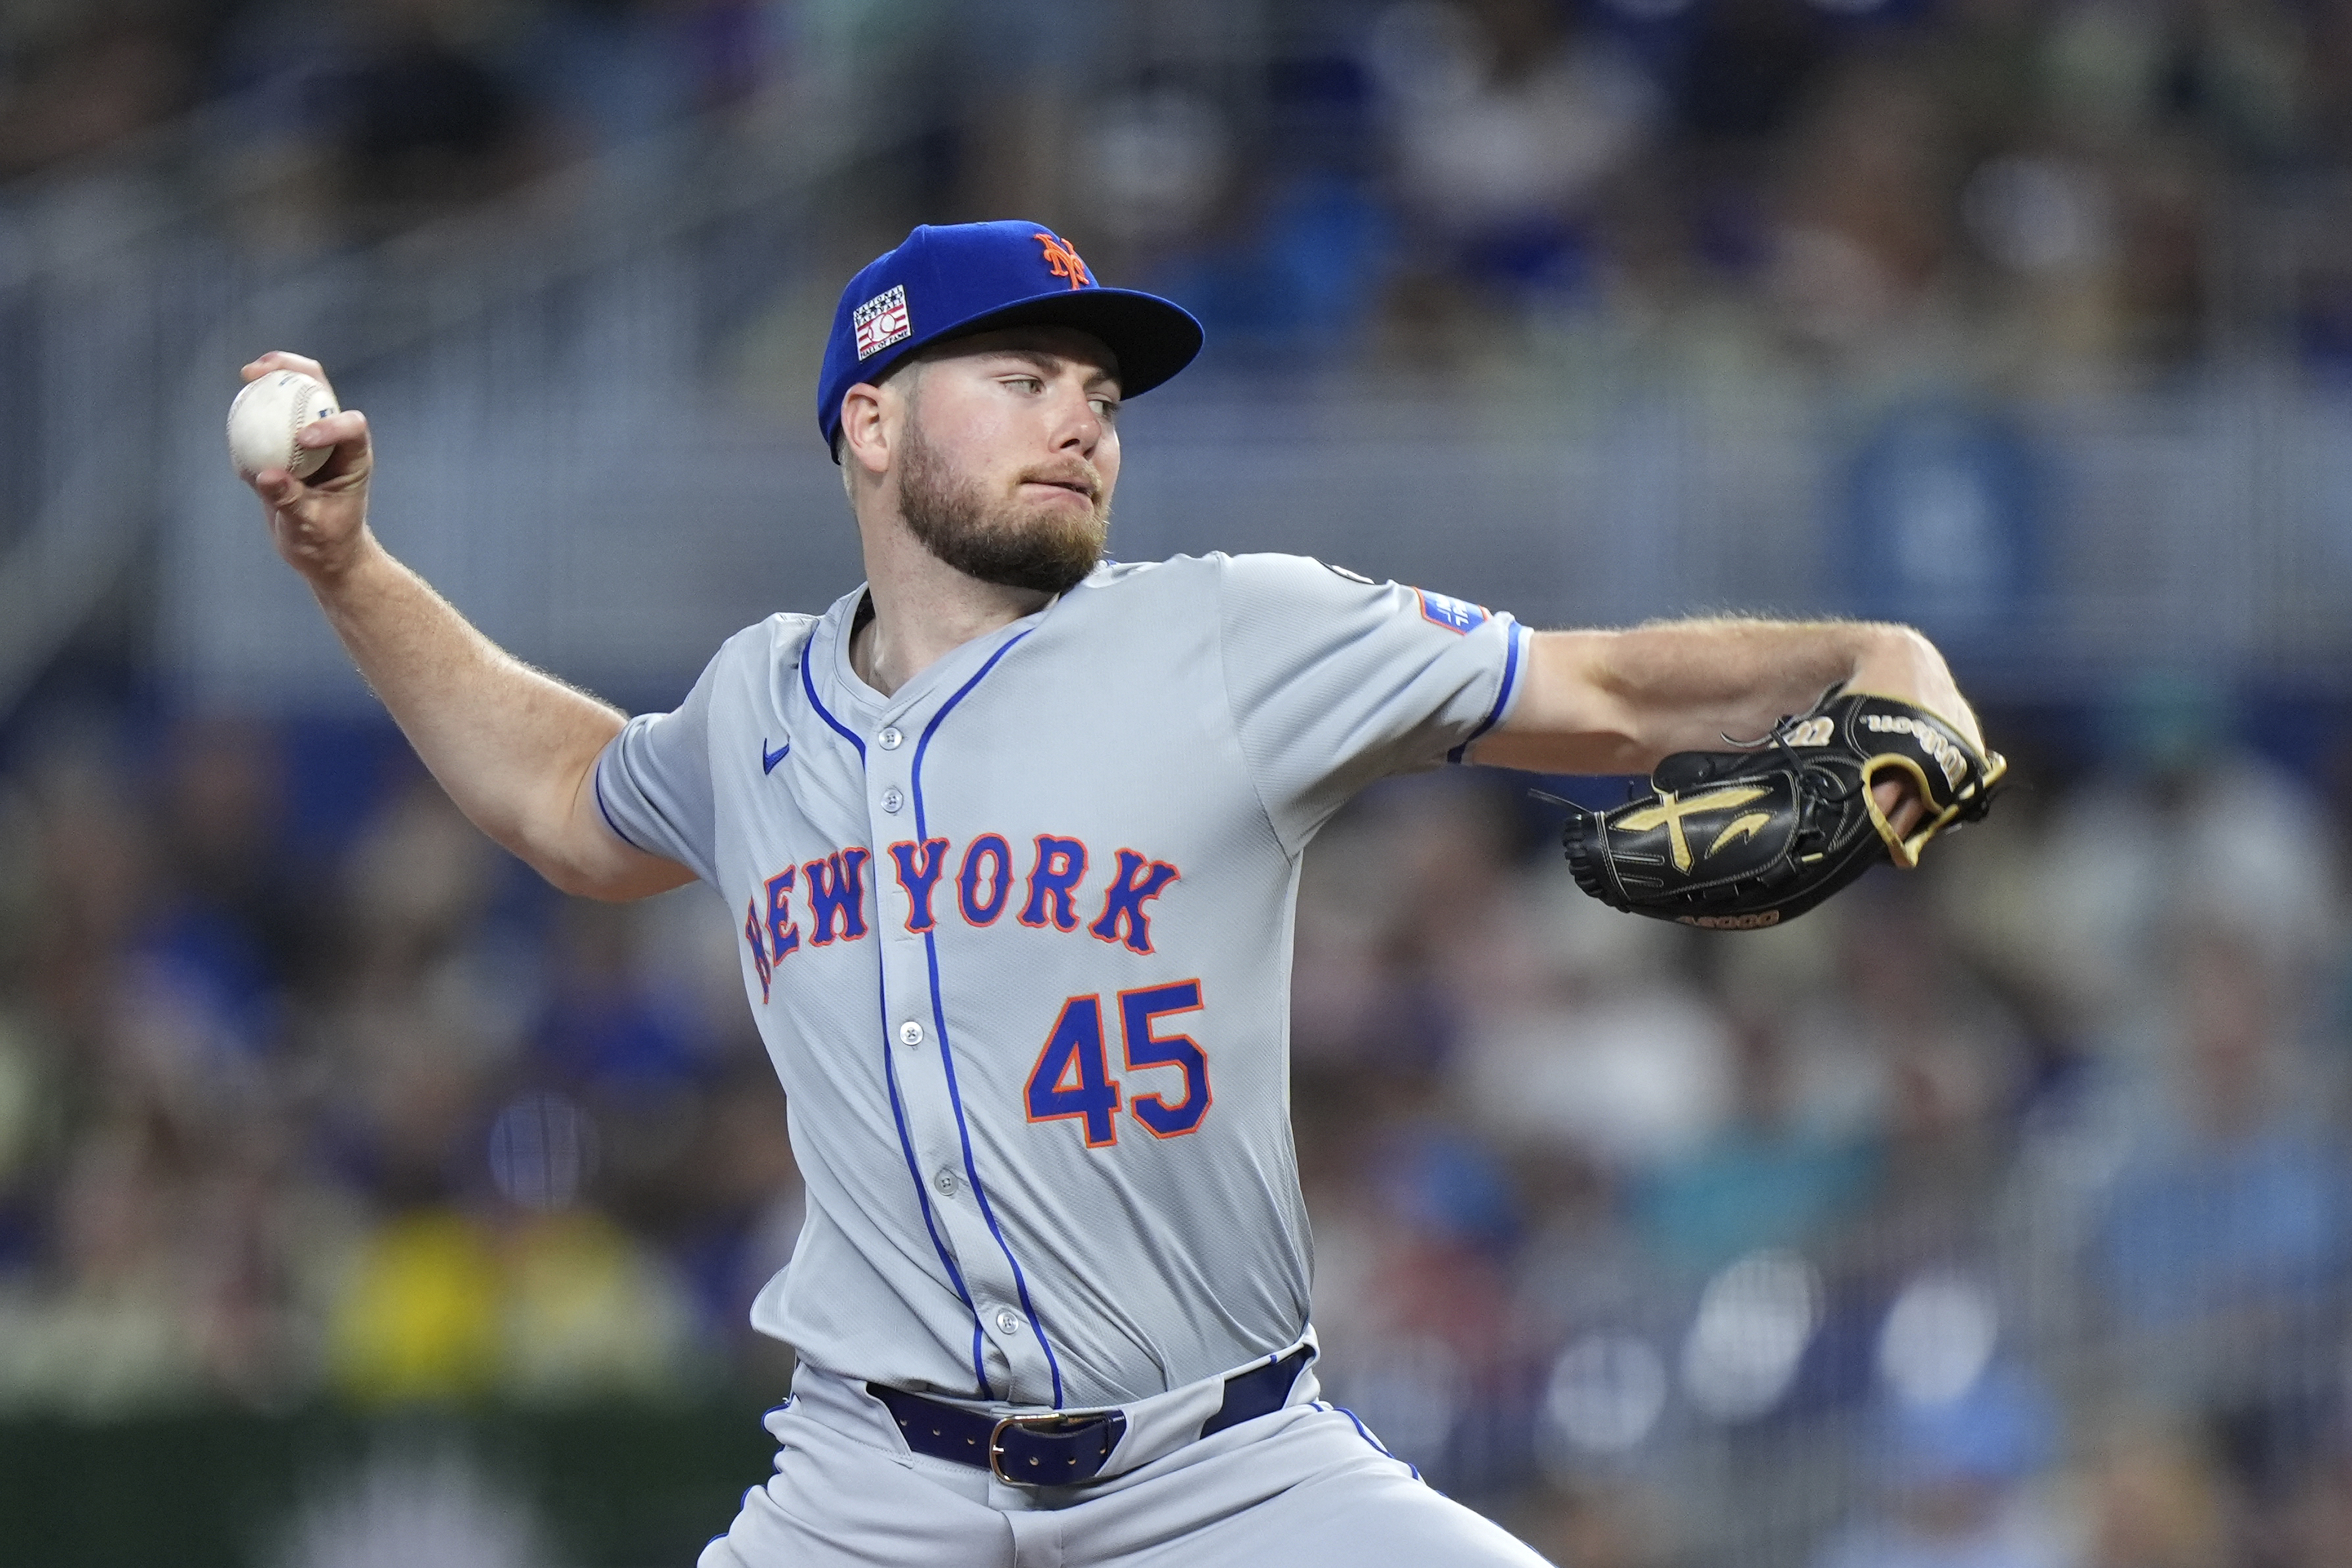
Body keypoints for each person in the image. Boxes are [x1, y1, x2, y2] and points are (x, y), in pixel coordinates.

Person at [239, 219, 1983, 1566]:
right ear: (869, 418)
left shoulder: (1228, 635)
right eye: (1023, 374)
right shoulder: (760, 705)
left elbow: (1598, 695)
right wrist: (347, 566)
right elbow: (564, 794)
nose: (1083, 413)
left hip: (1223, 1470)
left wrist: (1868, 652)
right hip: (872, 1487)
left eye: (1101, 390)